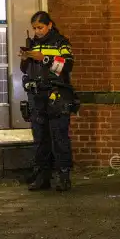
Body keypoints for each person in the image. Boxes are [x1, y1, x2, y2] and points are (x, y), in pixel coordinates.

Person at [20, 11, 76, 192]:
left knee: (59, 137)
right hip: (37, 97)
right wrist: (25, 59)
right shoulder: (33, 43)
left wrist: (43, 58)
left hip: (56, 96)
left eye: (40, 27)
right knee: (40, 138)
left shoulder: (61, 42)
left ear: (50, 25)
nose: (37, 31)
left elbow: (67, 66)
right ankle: (42, 177)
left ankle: (63, 177)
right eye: (34, 28)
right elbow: (26, 69)